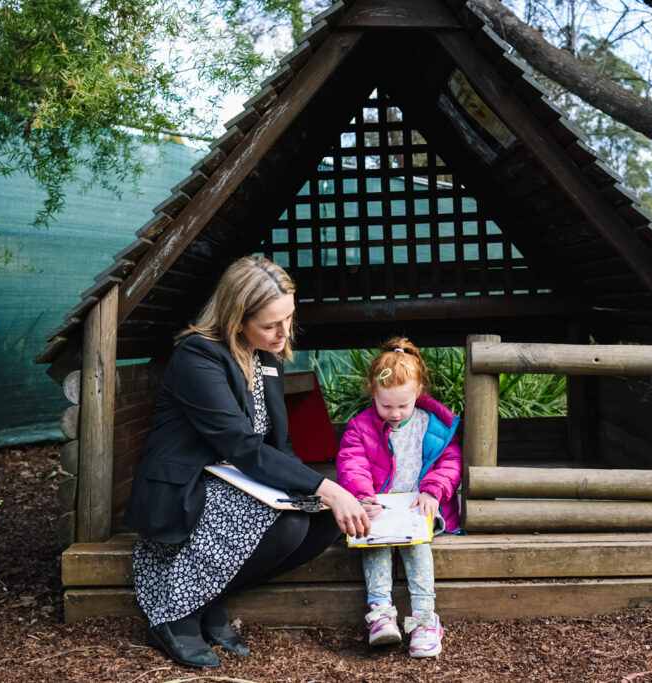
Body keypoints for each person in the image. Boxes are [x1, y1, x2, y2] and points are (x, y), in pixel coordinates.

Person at [123, 255, 370, 669]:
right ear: (237, 319)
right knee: (289, 524)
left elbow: (280, 446)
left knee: (326, 521)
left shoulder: (265, 358)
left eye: (288, 318)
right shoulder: (198, 357)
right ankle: (175, 616)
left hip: (236, 482)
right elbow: (242, 446)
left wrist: (341, 499)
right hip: (184, 489)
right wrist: (327, 487)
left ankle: (207, 598)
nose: (284, 332)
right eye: (271, 324)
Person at [335, 338, 462, 659]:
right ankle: (381, 614)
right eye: (386, 406)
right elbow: (352, 463)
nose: (395, 413)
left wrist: (433, 490)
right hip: (379, 508)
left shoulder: (433, 425)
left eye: (403, 405)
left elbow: (449, 461)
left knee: (417, 547)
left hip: (419, 507)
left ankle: (424, 619)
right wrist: (362, 497)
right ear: (372, 392)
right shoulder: (359, 428)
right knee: (374, 544)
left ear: (419, 392)